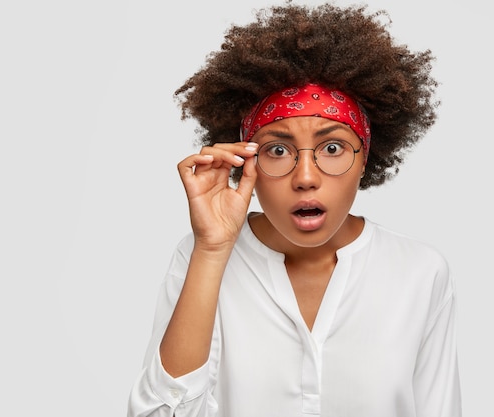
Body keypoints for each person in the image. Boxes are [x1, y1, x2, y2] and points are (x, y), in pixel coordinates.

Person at [127, 2, 462, 416]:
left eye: (333, 147)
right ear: (246, 162)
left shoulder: (420, 272)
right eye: (278, 150)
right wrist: (212, 251)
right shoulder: (199, 257)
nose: (305, 177)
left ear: (365, 159)